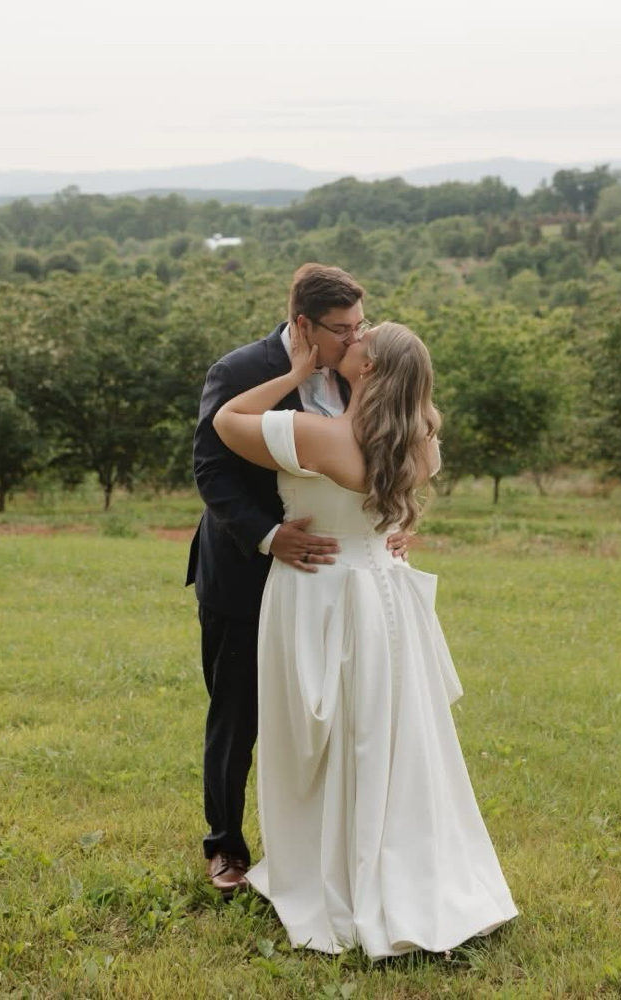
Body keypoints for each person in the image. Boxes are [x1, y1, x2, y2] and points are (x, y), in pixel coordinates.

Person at [212, 320, 518, 957]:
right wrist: (395, 532)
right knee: (387, 733)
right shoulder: (420, 440)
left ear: (370, 370)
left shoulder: (318, 436)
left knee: (321, 739)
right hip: (386, 599)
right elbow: (395, 507)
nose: (353, 337)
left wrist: (294, 375)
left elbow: (227, 421)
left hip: (321, 592)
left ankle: (334, 874)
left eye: (363, 339)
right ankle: (394, 860)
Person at [186, 264, 410, 896]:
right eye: (342, 330)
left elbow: (391, 451)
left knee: (334, 714)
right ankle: (225, 845)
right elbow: (212, 471)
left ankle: (322, 847)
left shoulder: (359, 372)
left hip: (336, 585)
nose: (354, 340)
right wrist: (268, 534)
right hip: (244, 571)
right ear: (304, 324)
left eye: (360, 326)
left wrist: (391, 521)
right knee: (238, 712)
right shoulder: (238, 372)